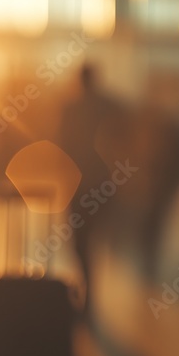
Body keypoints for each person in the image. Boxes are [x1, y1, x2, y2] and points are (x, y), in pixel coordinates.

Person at [56, 64, 126, 316]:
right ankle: (90, 287)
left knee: (79, 240)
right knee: (92, 237)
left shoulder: (70, 109)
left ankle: (87, 285)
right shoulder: (110, 108)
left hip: (79, 184)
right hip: (101, 183)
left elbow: (60, 146)